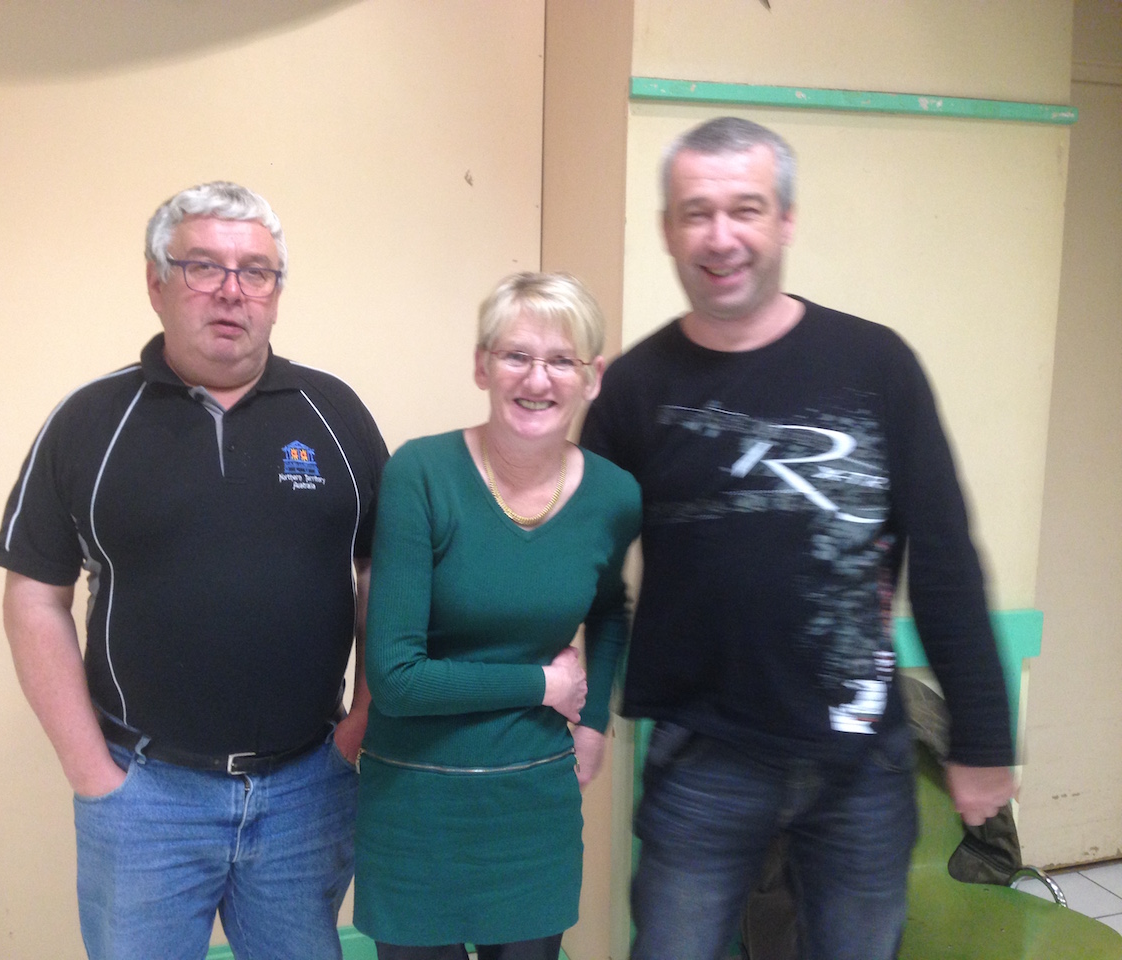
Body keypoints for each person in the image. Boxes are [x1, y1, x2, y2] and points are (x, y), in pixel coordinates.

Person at [579, 117, 1016, 960]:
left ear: (785, 220)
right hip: (702, 759)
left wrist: (982, 736)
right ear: (668, 229)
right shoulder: (634, 387)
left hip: (861, 760)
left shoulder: (876, 365)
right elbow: (581, 566)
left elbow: (946, 557)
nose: (721, 236)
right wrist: (576, 696)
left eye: (746, 208)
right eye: (697, 212)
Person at [0, 181, 388, 960]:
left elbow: (383, 577)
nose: (232, 291)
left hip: (306, 789)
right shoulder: (90, 422)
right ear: (156, 282)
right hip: (145, 799)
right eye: (203, 266)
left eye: (256, 271)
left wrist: (357, 733)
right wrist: (92, 773)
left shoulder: (335, 414)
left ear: (276, 293)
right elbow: (35, 597)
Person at [354, 273, 642, 960]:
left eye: (561, 360)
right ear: (482, 365)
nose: (537, 380)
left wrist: (593, 721)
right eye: (517, 355)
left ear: (592, 378)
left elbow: (611, 609)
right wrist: (544, 685)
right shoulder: (421, 474)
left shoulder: (614, 495)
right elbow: (395, 678)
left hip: (533, 808)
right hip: (415, 804)